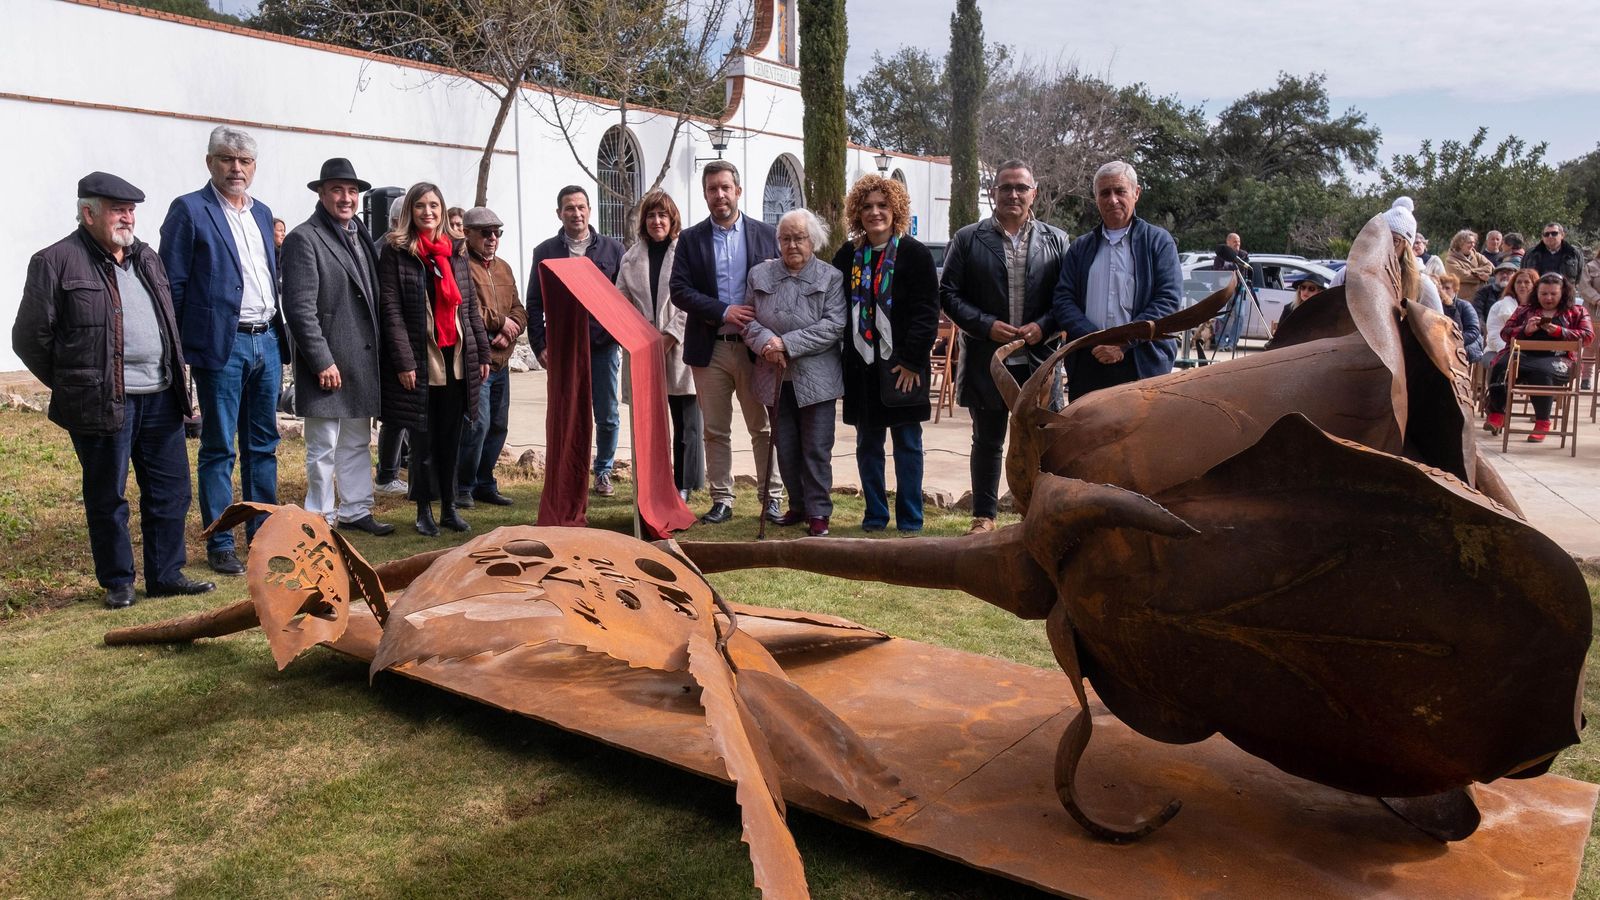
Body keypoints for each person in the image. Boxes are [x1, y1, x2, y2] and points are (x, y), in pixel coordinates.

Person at [13, 173, 213, 608]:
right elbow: (29, 338)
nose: (128, 217)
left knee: (171, 490)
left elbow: (166, 322)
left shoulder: (147, 258)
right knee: (108, 494)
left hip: (161, 395)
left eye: (132, 209)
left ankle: (166, 575)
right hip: (103, 400)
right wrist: (78, 382)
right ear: (88, 213)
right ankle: (119, 581)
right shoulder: (55, 261)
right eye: (117, 209)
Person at [159, 125, 286, 577]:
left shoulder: (262, 212)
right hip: (222, 344)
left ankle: (265, 536)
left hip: (266, 339)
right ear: (209, 161)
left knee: (263, 445)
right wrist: (176, 349)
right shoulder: (189, 211)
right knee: (218, 447)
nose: (237, 168)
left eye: (245, 161)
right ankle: (221, 540)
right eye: (227, 159)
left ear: (254, 167)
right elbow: (171, 284)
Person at [939, 159, 1069, 535]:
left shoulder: (1057, 241)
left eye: (1021, 188)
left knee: (1042, 443)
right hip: (988, 358)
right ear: (992, 192)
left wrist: (1043, 326)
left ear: (1034, 193)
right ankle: (984, 516)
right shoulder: (968, 239)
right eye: (1005, 187)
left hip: (1040, 360)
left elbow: (1066, 299)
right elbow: (947, 293)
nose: (1013, 194)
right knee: (987, 440)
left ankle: (1042, 515)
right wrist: (984, 325)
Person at [279, 158, 393, 537]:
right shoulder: (303, 238)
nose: (346, 198)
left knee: (357, 441)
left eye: (352, 191)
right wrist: (320, 359)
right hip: (328, 362)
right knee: (322, 446)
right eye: (337, 190)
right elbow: (298, 308)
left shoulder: (359, 234)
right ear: (321, 193)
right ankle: (320, 516)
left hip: (360, 359)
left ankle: (357, 509)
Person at [670, 160, 784, 525]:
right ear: (705, 194)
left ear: (738, 190)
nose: (719, 195)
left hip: (757, 350)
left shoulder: (767, 235)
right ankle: (722, 498)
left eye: (724, 187)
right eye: (711, 189)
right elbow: (679, 291)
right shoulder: (690, 239)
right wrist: (722, 311)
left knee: (762, 427)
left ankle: (772, 498)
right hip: (711, 346)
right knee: (715, 429)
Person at [377, 182, 490, 536]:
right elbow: (391, 310)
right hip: (422, 358)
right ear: (410, 211)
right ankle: (423, 510)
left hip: (455, 354)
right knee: (422, 442)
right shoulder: (397, 252)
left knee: (451, 438)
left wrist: (482, 350)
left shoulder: (455, 252)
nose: (428, 212)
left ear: (442, 211)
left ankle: (449, 507)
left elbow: (468, 306)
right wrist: (404, 361)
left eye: (434, 206)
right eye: (421, 206)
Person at [831, 174, 939, 533]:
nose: (875, 212)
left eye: (883, 205)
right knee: (868, 445)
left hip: (901, 368)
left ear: (896, 210)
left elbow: (927, 313)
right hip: (861, 367)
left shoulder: (915, 254)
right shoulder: (848, 256)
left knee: (908, 444)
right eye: (867, 207)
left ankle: (910, 518)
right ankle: (875, 515)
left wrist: (911, 362)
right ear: (857, 214)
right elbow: (834, 308)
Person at [744, 209, 846, 537]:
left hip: (816, 378)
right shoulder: (759, 275)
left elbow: (833, 324)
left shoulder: (830, 277)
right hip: (773, 374)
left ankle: (819, 512)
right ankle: (797, 505)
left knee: (816, 446)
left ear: (812, 241)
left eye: (799, 238)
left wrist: (786, 344)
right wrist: (767, 344)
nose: (792, 245)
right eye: (785, 238)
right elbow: (747, 320)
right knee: (784, 445)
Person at [525, 186, 626, 497]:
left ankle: (603, 471)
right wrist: (540, 345)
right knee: (567, 412)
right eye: (569, 208)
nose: (576, 213)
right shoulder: (545, 252)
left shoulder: (613, 250)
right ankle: (569, 472)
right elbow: (534, 302)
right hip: (564, 349)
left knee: (606, 413)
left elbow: (623, 298)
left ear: (590, 211)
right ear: (559, 213)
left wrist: (618, 335)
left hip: (602, 346)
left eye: (581, 207)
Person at [1052, 160, 1182, 401]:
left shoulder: (1157, 243)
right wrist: (1096, 341)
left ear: (1136, 193)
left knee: (1141, 438)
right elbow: (1063, 300)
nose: (1112, 199)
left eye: (1120, 191)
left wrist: (1122, 342)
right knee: (1088, 437)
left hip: (1142, 364)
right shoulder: (1080, 247)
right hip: (1089, 363)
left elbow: (1168, 301)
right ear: (1096, 198)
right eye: (1105, 193)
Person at [616, 190, 704, 499]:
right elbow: (621, 302)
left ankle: (685, 485)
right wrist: (642, 339)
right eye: (651, 215)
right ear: (644, 221)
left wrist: (668, 336)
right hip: (641, 350)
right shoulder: (630, 258)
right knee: (648, 425)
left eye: (662, 215)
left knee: (687, 425)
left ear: (672, 219)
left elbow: (691, 300)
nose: (657, 221)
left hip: (679, 347)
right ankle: (652, 484)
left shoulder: (687, 252)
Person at [454, 206, 526, 508]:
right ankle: (463, 486)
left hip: (502, 359)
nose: (492, 238)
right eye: (485, 232)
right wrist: (500, 323)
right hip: (476, 361)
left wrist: (511, 330)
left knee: (498, 424)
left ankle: (485, 482)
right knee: (476, 424)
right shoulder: (460, 266)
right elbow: (464, 307)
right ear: (467, 234)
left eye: (497, 232)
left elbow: (520, 310)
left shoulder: (504, 268)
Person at [1483, 273, 1593, 441]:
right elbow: (1505, 333)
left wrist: (1559, 331)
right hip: (1525, 356)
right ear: (1537, 293)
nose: (1548, 298)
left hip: (1560, 360)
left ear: (1563, 293)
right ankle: (1497, 412)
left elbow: (1587, 336)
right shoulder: (1524, 310)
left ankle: (1542, 421)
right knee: (1501, 364)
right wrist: (1525, 330)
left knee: (1541, 372)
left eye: (1553, 294)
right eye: (1544, 294)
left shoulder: (1577, 311)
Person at [374, 195, 410, 496]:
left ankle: (398, 466)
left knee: (402, 415)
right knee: (395, 417)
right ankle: (386, 475)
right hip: (392, 346)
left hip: (402, 345)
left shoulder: (393, 246)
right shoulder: (386, 249)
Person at [1484, 267, 1539, 356]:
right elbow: (1494, 336)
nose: (1522, 285)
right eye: (1518, 282)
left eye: (1527, 282)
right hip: (1497, 350)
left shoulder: (1540, 308)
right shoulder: (1498, 307)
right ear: (1513, 285)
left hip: (1531, 353)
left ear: (1535, 285)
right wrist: (1510, 352)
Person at [1435, 273, 1484, 364]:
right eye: (1441, 288)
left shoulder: (1464, 305)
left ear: (1455, 290)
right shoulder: (1433, 305)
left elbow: (1473, 331)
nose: (1443, 291)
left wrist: (1454, 342)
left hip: (1463, 348)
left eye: (1447, 288)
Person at [1443, 229, 1494, 302]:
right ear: (1460, 244)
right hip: (1464, 300)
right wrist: (1482, 277)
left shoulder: (1476, 255)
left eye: (1473, 242)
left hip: (1482, 298)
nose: (1473, 245)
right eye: (1469, 242)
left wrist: (1473, 272)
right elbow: (1461, 276)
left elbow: (1489, 267)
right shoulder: (1450, 260)